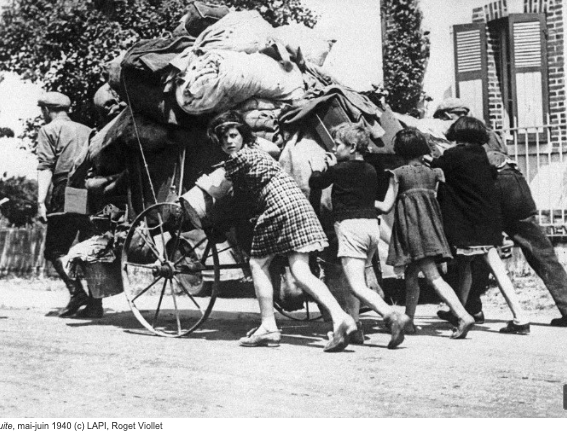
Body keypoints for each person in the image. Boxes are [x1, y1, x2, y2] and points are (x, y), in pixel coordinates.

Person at [207, 111, 357, 352]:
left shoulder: (238, 160)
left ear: (242, 135)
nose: (229, 142)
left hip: (280, 207)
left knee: (257, 264)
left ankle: (268, 326)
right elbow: (271, 148)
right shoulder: (258, 149)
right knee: (301, 271)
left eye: (233, 135)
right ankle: (342, 318)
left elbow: (236, 199)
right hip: (297, 204)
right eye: (223, 139)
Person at [434, 98, 567, 328]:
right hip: (515, 184)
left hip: (494, 189)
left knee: (473, 248)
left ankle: (469, 309)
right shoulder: (487, 132)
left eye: (442, 120)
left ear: (449, 116)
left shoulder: (464, 140)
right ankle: (471, 308)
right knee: (539, 251)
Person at [309, 123, 410, 349]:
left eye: (337, 144)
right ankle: (355, 327)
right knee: (355, 280)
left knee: (355, 284)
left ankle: (392, 316)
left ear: (352, 146)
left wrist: (321, 169)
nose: (334, 148)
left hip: (350, 227)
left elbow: (315, 183)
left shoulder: (339, 169)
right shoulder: (370, 170)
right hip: (370, 227)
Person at [430, 116, 529, 334]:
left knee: (478, 267)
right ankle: (461, 310)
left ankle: (516, 317)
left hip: (468, 224)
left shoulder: (453, 155)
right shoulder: (481, 156)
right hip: (488, 222)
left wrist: (435, 153)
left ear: (458, 133)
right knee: (477, 266)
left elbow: (435, 167)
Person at [374, 128, 475, 338]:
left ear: (399, 151)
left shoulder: (398, 173)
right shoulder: (434, 174)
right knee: (411, 276)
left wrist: (364, 201)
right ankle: (408, 322)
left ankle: (463, 315)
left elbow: (385, 207)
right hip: (431, 230)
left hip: (413, 232)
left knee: (433, 277)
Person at [37, 92, 102, 318]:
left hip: (68, 187)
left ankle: (77, 293)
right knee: (90, 245)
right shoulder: (87, 130)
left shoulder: (48, 130)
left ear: (47, 110)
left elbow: (45, 166)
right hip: (92, 188)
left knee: (56, 248)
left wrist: (40, 201)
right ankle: (95, 304)